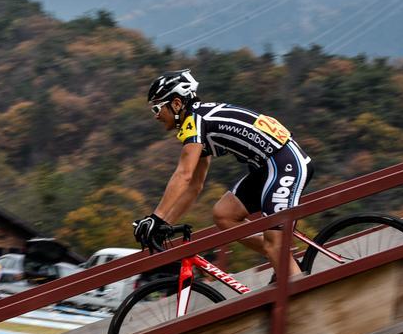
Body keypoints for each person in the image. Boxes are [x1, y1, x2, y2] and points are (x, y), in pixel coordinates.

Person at [133, 69, 313, 279]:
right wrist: (165, 224)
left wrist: (156, 218)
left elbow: (184, 175)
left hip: (285, 164)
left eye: (157, 108)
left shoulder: (194, 122)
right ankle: (283, 260)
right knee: (224, 214)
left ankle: (295, 284)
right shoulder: (198, 120)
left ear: (176, 103)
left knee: (275, 246)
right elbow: (194, 186)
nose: (156, 115)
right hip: (267, 167)